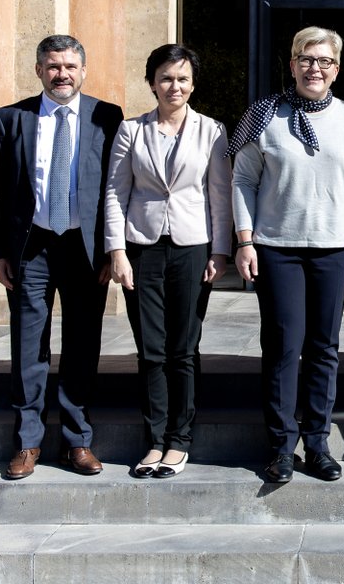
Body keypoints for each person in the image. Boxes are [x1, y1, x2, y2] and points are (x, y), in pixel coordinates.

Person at [229, 27, 344, 484]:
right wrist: (245, 240)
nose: (315, 68)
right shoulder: (264, 115)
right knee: (281, 348)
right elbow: (243, 180)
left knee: (323, 349)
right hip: (277, 249)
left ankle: (317, 444)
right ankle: (280, 446)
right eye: (306, 59)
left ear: (337, 69)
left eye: (325, 61)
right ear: (292, 64)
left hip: (333, 248)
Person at [0, 34, 124, 480]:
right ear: (38, 70)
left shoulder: (108, 117)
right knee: (29, 345)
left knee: (83, 343)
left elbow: (113, 188)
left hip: (85, 249)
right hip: (32, 248)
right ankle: (28, 441)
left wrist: (111, 248)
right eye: (52, 66)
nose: (62, 74)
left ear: (83, 70)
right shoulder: (12, 118)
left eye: (70, 66)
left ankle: (77, 440)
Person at [104, 44, 232, 479]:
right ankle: (155, 439)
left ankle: (180, 439)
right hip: (142, 247)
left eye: (182, 78)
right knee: (150, 350)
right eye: (165, 78)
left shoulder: (211, 131)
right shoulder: (131, 131)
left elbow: (220, 193)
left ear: (193, 83)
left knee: (183, 347)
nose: (173, 86)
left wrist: (220, 250)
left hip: (193, 246)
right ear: (152, 82)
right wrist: (116, 251)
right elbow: (115, 192)